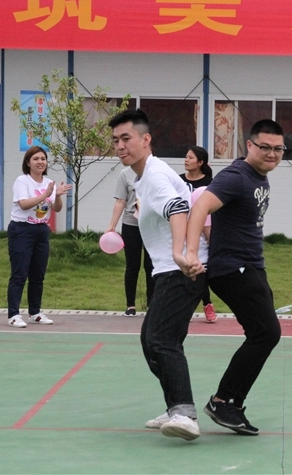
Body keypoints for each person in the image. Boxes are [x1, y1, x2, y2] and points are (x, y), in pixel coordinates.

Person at [110, 109, 206, 441]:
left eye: (126, 138)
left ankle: (185, 414)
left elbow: (178, 208)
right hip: (170, 269)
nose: (120, 146)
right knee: (151, 340)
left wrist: (181, 253)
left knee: (162, 340)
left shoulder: (154, 175)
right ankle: (174, 406)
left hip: (181, 270)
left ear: (146, 139)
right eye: (116, 140)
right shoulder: (143, 178)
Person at [184, 119, 284, 436]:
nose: (272, 154)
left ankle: (231, 403)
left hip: (251, 265)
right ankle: (223, 401)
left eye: (278, 149)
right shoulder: (236, 176)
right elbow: (200, 207)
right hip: (232, 268)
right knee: (266, 333)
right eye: (265, 147)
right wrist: (191, 253)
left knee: (264, 334)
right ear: (250, 145)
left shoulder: (259, 176)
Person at [6, 146, 72, 328]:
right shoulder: (22, 181)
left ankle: (34, 312)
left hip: (41, 230)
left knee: (38, 274)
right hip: (21, 230)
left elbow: (56, 208)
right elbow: (24, 204)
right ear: (28, 162)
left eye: (43, 159)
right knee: (19, 274)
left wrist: (57, 195)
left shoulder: (49, 183)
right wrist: (46, 194)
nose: (40, 162)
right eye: (35, 159)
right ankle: (13, 315)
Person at [106, 166, 154, 317]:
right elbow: (121, 201)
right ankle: (130, 305)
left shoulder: (155, 170)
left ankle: (152, 304)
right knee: (132, 265)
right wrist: (112, 225)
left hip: (151, 225)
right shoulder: (125, 174)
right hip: (130, 225)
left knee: (151, 265)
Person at [180, 145, 217, 323]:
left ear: (200, 162)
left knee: (200, 272)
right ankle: (182, 309)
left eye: (190, 157)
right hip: (181, 231)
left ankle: (207, 304)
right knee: (181, 273)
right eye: (186, 157)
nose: (186, 160)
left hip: (203, 231)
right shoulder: (178, 181)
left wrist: (210, 236)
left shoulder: (210, 183)